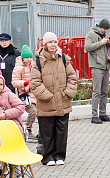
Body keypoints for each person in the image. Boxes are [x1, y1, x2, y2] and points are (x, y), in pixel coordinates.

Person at [30, 32, 78, 166]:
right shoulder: (38, 62)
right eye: (50, 42)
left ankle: (60, 155)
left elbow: (72, 78)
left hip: (63, 101)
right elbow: (34, 83)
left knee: (62, 131)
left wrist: (68, 93)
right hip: (47, 103)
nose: (53, 45)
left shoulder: (63, 59)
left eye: (55, 42)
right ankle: (48, 156)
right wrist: (48, 96)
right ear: (45, 44)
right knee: (47, 131)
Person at [85, 19, 110, 124]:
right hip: (96, 66)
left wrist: (108, 43)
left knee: (105, 91)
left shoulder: (105, 35)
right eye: (104, 29)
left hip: (106, 65)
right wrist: (101, 43)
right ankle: (94, 116)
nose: (105, 31)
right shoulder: (91, 34)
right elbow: (87, 47)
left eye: (107, 29)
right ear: (100, 27)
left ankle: (102, 114)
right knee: (97, 91)